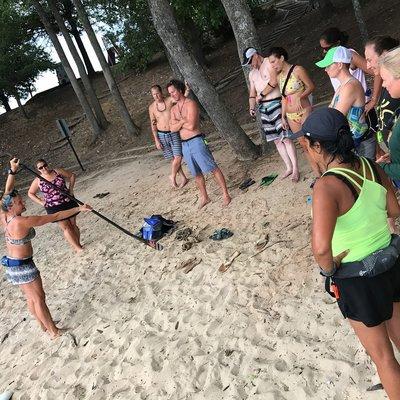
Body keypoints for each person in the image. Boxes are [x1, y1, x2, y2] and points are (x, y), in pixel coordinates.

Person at [292, 108, 400, 399]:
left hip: (358, 279)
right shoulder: (370, 166)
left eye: (306, 145)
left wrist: (329, 269)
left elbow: (321, 248)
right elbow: (394, 210)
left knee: (385, 360)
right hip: (390, 264)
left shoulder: (327, 186)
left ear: (317, 146)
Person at [1, 158, 92, 338]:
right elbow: (56, 215)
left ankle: (43, 325)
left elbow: (7, 192)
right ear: (12, 206)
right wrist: (78, 209)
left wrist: (12, 171)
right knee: (38, 299)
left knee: (31, 298)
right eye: (20, 202)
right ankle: (53, 331)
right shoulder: (22, 221)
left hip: (12, 265)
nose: (24, 203)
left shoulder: (4, 215)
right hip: (23, 266)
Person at [167, 79, 231, 209]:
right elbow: (172, 128)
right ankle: (204, 197)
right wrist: (182, 121)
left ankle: (225, 194)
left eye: (173, 91)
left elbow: (191, 126)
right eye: (170, 93)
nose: (172, 94)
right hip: (184, 145)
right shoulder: (173, 109)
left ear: (180, 90)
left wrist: (179, 123)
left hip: (196, 140)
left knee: (212, 168)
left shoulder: (190, 104)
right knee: (196, 173)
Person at [242, 47, 299, 181]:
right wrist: (251, 107)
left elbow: (273, 82)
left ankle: (296, 168)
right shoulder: (252, 74)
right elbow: (252, 93)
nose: (251, 64)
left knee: (285, 137)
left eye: (251, 61)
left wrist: (262, 95)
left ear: (256, 55)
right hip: (263, 108)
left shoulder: (269, 62)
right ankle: (288, 167)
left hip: (276, 103)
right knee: (277, 140)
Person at [267, 47, 321, 177]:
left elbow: (311, 86)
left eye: (274, 61)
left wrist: (301, 96)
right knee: (303, 145)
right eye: (270, 63)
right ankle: (318, 175)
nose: (272, 66)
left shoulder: (298, 70)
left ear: (282, 58)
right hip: (291, 115)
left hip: (304, 110)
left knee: (312, 142)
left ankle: (326, 169)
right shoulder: (279, 77)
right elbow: (284, 98)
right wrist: (283, 116)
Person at [316, 46, 375, 159]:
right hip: (354, 142)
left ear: (339, 64)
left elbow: (336, 116)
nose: (325, 69)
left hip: (360, 144)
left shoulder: (350, 86)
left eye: (328, 65)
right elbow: (330, 110)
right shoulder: (342, 86)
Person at [319, 27, 382, 114]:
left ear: (337, 43)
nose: (324, 51)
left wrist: (374, 100)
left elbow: (377, 72)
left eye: (327, 48)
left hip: (361, 108)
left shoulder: (349, 55)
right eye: (322, 48)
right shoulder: (331, 59)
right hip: (347, 106)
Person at [28, 159, 83, 253]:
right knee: (66, 227)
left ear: (47, 164)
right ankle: (77, 248)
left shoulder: (57, 171)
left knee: (73, 225)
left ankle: (78, 244)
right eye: (41, 167)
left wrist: (71, 189)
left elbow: (72, 175)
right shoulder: (38, 180)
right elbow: (30, 193)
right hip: (53, 206)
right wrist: (41, 202)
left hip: (67, 201)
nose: (44, 168)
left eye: (45, 165)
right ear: (38, 170)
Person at [148, 84, 188, 188]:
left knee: (178, 156)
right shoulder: (152, 107)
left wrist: (187, 89)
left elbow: (181, 98)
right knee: (172, 158)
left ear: (161, 93)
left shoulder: (170, 100)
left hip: (173, 132)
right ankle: (183, 178)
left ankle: (172, 175)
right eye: (153, 94)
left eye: (157, 93)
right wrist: (156, 140)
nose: (156, 96)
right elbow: (153, 124)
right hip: (162, 135)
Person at [365, 36, 400, 147]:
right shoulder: (388, 85)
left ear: (384, 54)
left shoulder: (395, 86)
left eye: (369, 60)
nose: (367, 66)